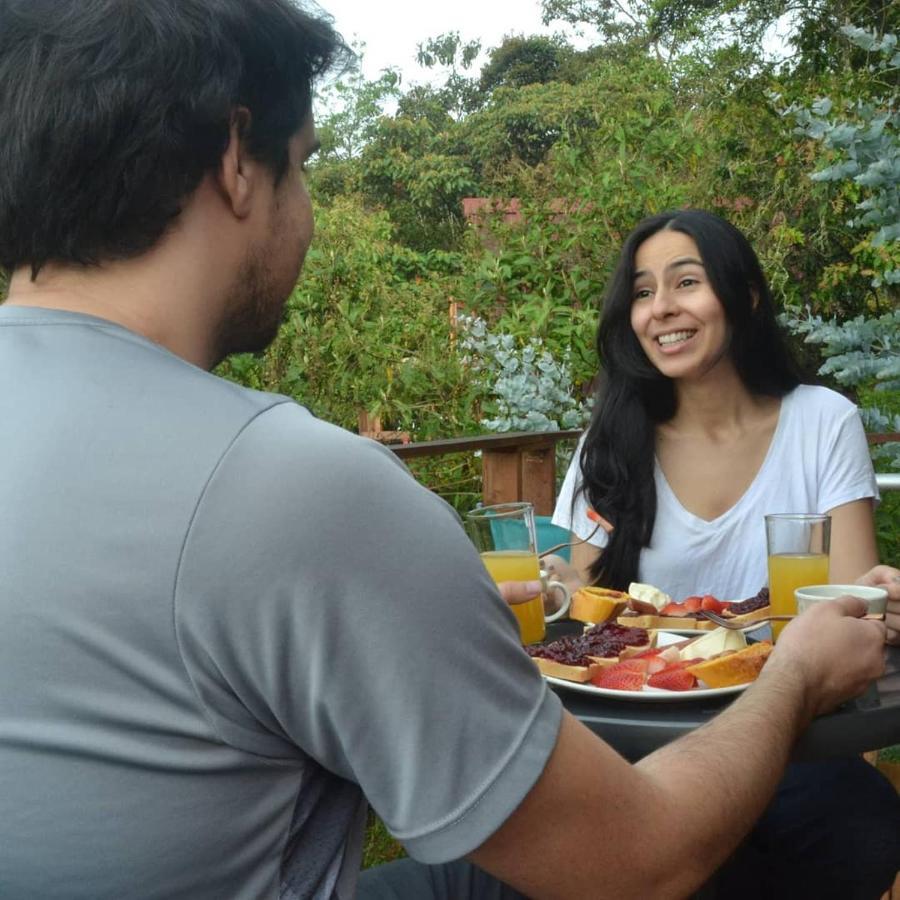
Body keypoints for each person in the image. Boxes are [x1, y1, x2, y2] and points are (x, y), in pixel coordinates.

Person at [0, 4, 892, 900]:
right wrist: (798, 675)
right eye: (306, 165)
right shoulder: (292, 484)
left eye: (688, 283)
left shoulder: (817, 419)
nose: (307, 211)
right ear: (239, 160)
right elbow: (638, 863)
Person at [548, 208, 900, 897]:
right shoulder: (612, 442)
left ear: (745, 295)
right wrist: (550, 582)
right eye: (643, 292)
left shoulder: (822, 423)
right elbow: (580, 616)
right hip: (638, 747)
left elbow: (851, 615)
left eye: (686, 282)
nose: (661, 309)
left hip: (791, 739)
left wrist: (879, 600)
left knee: (859, 820)